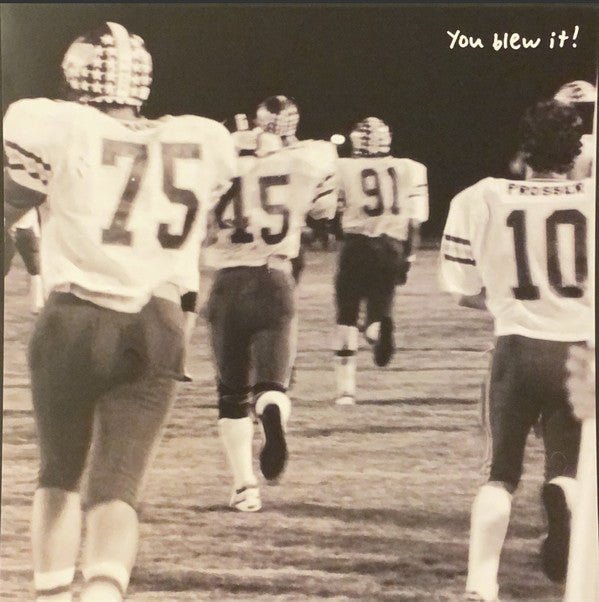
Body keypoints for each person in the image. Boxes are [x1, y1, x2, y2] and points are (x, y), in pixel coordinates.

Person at [3, 22, 236, 602]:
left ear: (75, 74)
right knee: (117, 489)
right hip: (159, 325)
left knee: (59, 474)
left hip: (74, 318)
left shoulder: (54, 124)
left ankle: (54, 595)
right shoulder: (201, 137)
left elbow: (16, 203)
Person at [438, 100, 594, 601]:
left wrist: (508, 303)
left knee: (499, 474)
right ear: (575, 151)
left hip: (517, 348)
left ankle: (481, 584)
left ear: (525, 148)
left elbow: (463, 289)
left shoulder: (483, 195)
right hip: (581, 352)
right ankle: (563, 495)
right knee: (567, 466)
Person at [204, 95, 338, 511]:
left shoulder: (215, 169)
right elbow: (324, 211)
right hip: (274, 279)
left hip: (226, 283)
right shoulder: (306, 159)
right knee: (273, 384)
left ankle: (245, 488)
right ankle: (272, 416)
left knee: (231, 395)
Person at [333, 117, 429, 405]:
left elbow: (334, 214)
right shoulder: (410, 168)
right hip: (392, 247)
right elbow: (415, 221)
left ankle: (346, 392)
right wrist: (409, 256)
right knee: (378, 310)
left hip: (357, 245)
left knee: (347, 317)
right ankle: (376, 329)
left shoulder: (342, 168)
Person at [4, 208, 45, 313]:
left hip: (22, 228)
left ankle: (37, 304)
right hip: (21, 228)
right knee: (35, 268)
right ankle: (37, 304)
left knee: (35, 268)